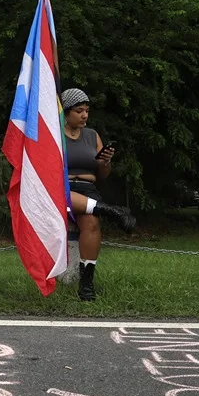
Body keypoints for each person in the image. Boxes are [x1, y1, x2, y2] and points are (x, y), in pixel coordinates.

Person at [61, 88, 136, 301]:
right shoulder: (54, 134)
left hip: (88, 189)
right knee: (64, 196)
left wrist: (105, 162)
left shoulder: (92, 135)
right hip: (62, 189)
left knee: (92, 223)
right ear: (66, 113)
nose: (85, 115)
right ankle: (112, 211)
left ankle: (86, 284)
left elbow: (103, 174)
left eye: (86, 110)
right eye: (79, 111)